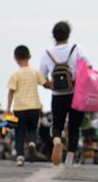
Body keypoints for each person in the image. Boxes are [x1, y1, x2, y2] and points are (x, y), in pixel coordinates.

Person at [39, 21, 91, 165]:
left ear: (53, 36)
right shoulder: (76, 48)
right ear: (69, 34)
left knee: (56, 125)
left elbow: (42, 78)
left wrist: (53, 86)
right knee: (74, 127)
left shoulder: (47, 53)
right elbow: (89, 66)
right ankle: (69, 161)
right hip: (76, 95)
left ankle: (57, 141)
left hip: (57, 96)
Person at [7, 45, 50, 167]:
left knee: (19, 132)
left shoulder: (15, 74)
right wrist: (55, 85)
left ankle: (20, 157)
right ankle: (32, 143)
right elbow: (45, 84)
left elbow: (11, 91)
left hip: (19, 108)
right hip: (34, 107)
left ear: (15, 58)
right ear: (30, 56)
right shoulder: (35, 72)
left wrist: (8, 109)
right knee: (32, 129)